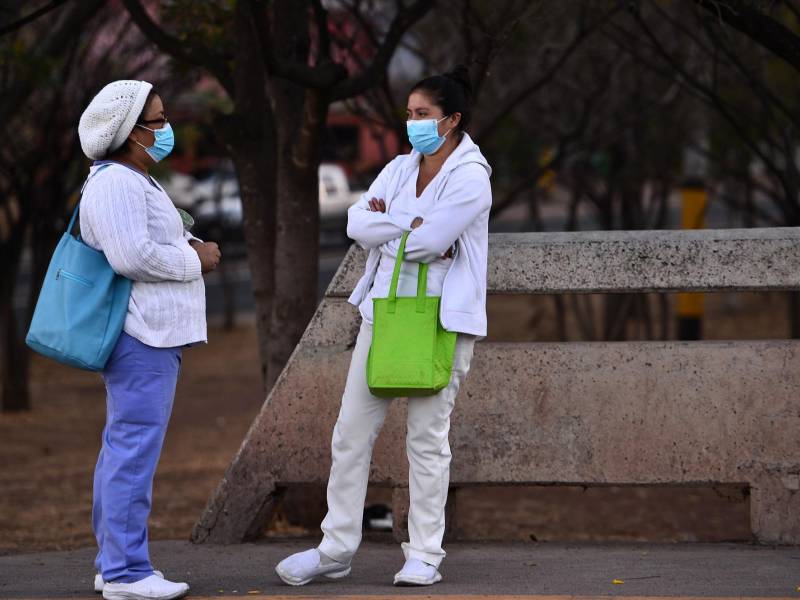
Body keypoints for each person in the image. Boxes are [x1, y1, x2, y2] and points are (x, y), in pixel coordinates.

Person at [276, 65, 492, 587]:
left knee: (427, 438)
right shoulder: (399, 167)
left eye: (424, 115)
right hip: (382, 314)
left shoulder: (471, 176)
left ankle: (424, 554)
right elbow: (357, 224)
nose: (412, 122)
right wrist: (408, 225)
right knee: (350, 433)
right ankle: (335, 548)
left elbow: (425, 241)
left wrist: (389, 224)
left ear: (453, 120)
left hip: (440, 322)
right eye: (410, 113)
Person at [77, 80, 221, 600]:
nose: (165, 131)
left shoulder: (134, 179)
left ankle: (113, 563)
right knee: (133, 451)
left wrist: (187, 242)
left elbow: (144, 242)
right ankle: (125, 573)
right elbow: (131, 256)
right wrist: (194, 260)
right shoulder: (117, 182)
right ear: (127, 132)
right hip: (141, 335)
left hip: (152, 333)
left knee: (125, 448)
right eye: (155, 122)